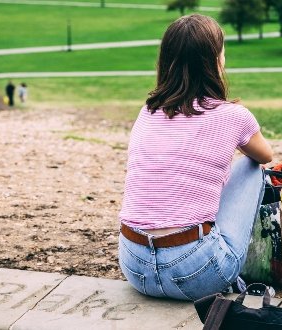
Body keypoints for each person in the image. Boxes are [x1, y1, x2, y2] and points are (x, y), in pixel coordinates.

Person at [117, 14, 273, 301]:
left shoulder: (148, 111)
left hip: (134, 267)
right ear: (216, 60)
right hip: (197, 273)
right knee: (252, 166)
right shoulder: (232, 115)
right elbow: (265, 155)